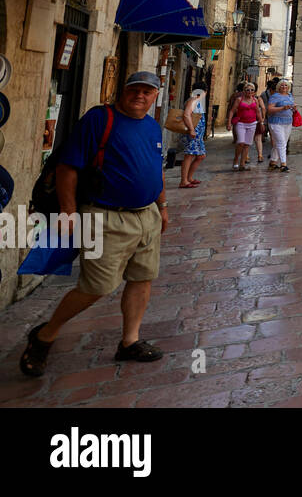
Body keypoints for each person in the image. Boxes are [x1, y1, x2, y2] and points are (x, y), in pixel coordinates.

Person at [19, 71, 169, 377]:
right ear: (122, 92)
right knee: (96, 286)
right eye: (135, 89)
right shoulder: (100, 119)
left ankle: (130, 341)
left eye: (148, 91)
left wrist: (162, 206)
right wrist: (68, 211)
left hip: (147, 216)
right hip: (105, 216)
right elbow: (67, 167)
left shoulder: (153, 126)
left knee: (142, 278)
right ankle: (45, 334)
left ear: (156, 96)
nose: (141, 95)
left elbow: (156, 168)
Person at [227, 83, 263, 171]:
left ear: (254, 92)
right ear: (244, 91)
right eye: (248, 90)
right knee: (241, 142)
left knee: (247, 144)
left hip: (252, 124)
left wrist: (261, 122)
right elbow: (232, 111)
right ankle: (236, 159)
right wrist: (229, 123)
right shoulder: (239, 99)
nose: (250, 92)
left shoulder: (255, 100)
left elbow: (258, 112)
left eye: (252, 90)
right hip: (241, 123)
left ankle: (242, 164)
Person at [265, 79, 295, 172]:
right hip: (276, 123)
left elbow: (291, 108)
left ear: (288, 87)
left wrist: (293, 108)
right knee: (281, 143)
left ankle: (272, 163)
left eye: (286, 85)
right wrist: (282, 108)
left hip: (287, 122)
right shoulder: (275, 96)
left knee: (281, 143)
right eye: (282, 85)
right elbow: (269, 109)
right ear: (279, 87)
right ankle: (283, 165)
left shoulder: (290, 96)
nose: (284, 87)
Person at [179, 89, 206, 188]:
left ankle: (189, 178)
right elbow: (186, 114)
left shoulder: (198, 101)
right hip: (193, 133)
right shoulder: (193, 100)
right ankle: (184, 181)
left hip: (198, 135)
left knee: (201, 156)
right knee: (189, 155)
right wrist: (191, 129)